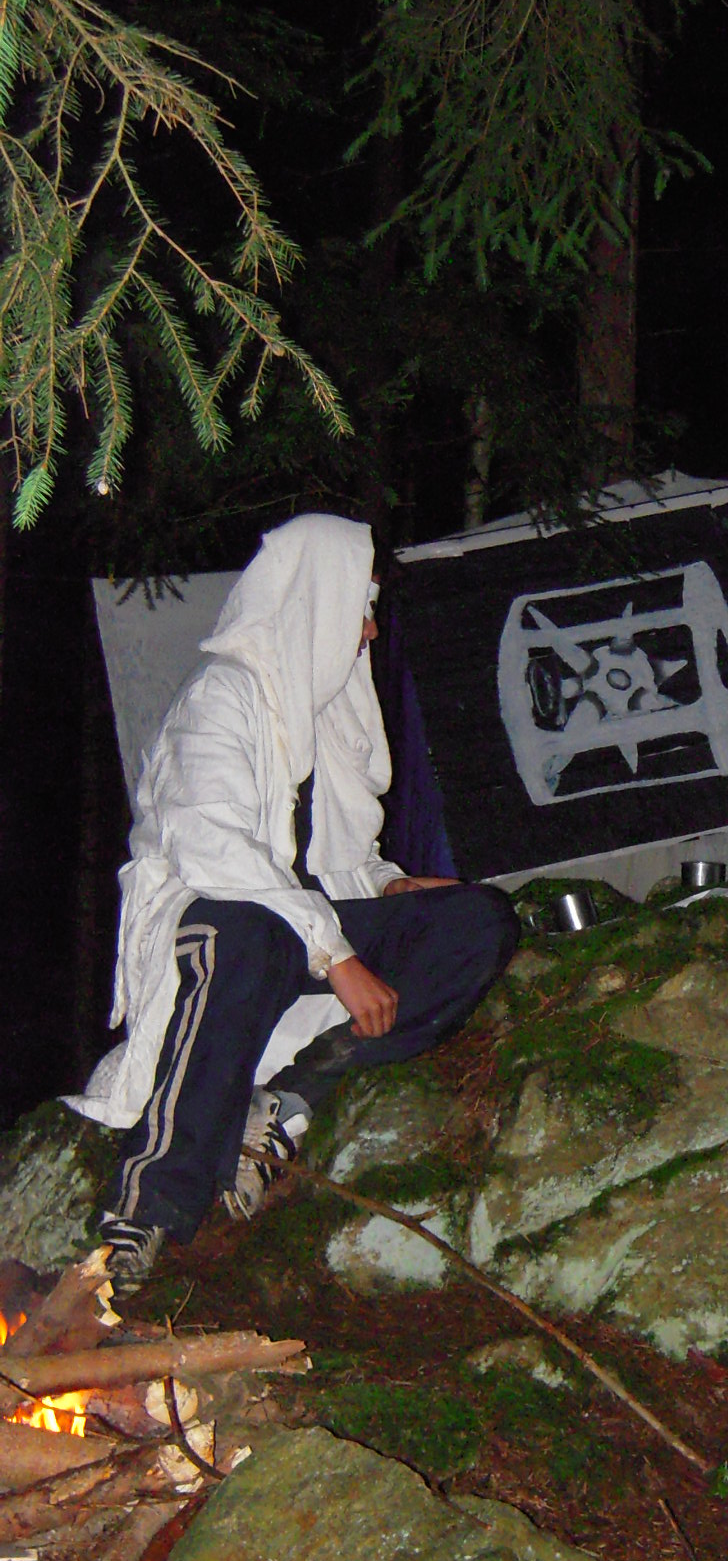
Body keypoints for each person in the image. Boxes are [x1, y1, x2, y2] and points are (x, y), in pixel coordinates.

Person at [66, 513, 520, 1287]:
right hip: (223, 935)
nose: (369, 630)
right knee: (246, 931)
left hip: (308, 940)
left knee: (478, 921)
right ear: (315, 600)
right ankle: (145, 1207)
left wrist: (387, 886)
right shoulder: (220, 698)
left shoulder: (330, 708)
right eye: (360, 607)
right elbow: (213, 849)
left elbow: (339, 859)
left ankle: (292, 1096)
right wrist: (337, 955)